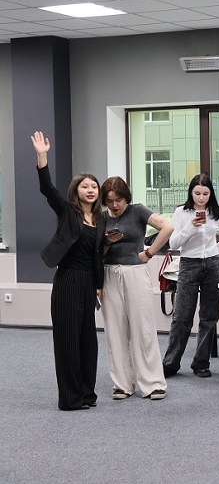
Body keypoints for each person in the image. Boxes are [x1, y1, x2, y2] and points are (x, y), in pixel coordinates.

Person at [31, 131, 105, 411]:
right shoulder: (67, 213)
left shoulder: (100, 220)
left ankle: (86, 393)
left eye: (93, 187)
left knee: (88, 342)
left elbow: (97, 255)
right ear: (76, 191)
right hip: (67, 280)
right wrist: (42, 156)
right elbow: (47, 189)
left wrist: (98, 284)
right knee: (68, 340)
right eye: (85, 186)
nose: (90, 190)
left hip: (88, 284)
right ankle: (70, 398)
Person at [101, 176, 173, 401]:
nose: (114, 205)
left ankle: (153, 384)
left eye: (119, 199)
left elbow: (168, 227)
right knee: (115, 330)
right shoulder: (101, 218)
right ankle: (122, 383)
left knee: (143, 328)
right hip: (109, 274)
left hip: (136, 272)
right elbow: (96, 253)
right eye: (110, 200)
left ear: (126, 197)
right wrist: (106, 244)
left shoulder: (138, 211)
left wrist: (149, 253)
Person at [162, 173, 219, 378]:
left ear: (211, 194)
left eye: (205, 193)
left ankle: (201, 362)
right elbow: (173, 244)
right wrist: (192, 226)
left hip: (212, 264)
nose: (201, 198)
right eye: (197, 193)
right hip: (188, 264)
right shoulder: (181, 212)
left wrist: (216, 249)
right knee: (182, 316)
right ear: (191, 193)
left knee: (209, 316)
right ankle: (171, 362)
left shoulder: (215, 212)